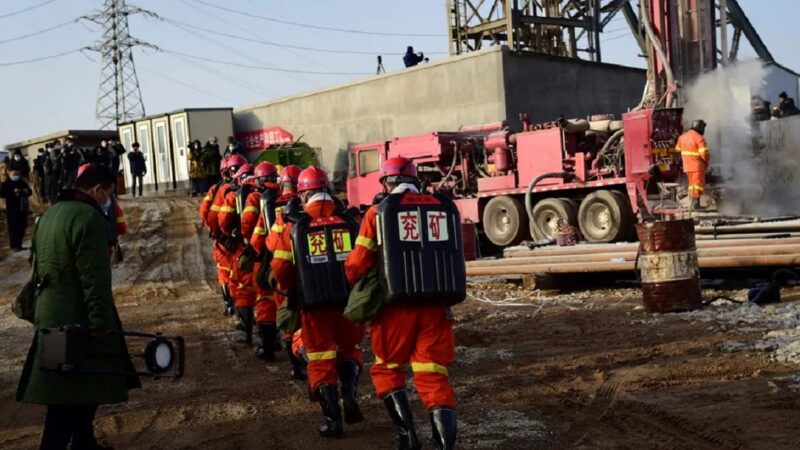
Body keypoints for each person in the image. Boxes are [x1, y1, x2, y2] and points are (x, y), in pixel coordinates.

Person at [16, 164, 140, 450]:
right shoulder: (88, 218)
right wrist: (100, 322)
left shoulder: (49, 215)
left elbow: (36, 266)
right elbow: (94, 278)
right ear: (98, 190)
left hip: (51, 315)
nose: (109, 200)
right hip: (78, 317)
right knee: (71, 394)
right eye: (109, 193)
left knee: (77, 387)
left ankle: (85, 441)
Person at [345, 157, 460, 450]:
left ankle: (408, 436)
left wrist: (352, 276)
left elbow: (357, 264)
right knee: (432, 373)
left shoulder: (377, 213)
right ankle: (444, 445)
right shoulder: (443, 207)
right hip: (436, 307)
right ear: (414, 179)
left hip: (394, 310)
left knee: (387, 369)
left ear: (385, 182)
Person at [271, 166, 365, 438]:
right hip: (349, 303)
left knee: (321, 359)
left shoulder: (293, 224)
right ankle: (348, 392)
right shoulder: (350, 219)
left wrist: (291, 291)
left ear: (303, 194)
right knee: (349, 349)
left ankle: (332, 421)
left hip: (314, 307)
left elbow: (280, 267)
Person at [254, 165, 305, 376]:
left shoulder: (274, 207)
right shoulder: (311, 205)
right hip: (317, 273)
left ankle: (297, 366)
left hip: (286, 268)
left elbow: (266, 240)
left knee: (286, 316)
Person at [234, 161, 280, 360]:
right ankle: (284, 340)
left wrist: (250, 245)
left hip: (263, 256)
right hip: (288, 256)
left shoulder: (255, 198)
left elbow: (248, 226)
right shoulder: (287, 197)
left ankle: (267, 346)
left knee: (265, 300)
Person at [218, 164, 258, 344]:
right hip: (272, 249)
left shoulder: (235, 194)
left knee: (242, 287)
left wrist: (228, 236)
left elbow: (222, 220)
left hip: (245, 247)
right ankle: (275, 337)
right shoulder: (268, 193)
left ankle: (245, 330)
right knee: (269, 292)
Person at [204, 154, 247, 317]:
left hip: (224, 240)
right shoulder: (249, 189)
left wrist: (218, 234)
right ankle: (243, 309)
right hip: (242, 240)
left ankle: (231, 305)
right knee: (242, 275)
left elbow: (207, 212)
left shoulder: (217, 189)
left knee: (224, 272)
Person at [675, 120, 710, 211]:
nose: (704, 131)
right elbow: (704, 155)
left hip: (687, 166)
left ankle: (692, 203)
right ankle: (696, 205)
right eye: (703, 128)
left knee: (692, 185)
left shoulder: (682, 137)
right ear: (699, 128)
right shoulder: (699, 138)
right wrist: (706, 162)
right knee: (698, 185)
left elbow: (677, 149)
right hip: (697, 166)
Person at [0, 169, 32, 251]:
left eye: (16, 173)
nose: (15, 175)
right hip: (12, 209)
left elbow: (29, 192)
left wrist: (23, 191)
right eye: (13, 173)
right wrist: (12, 192)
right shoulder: (6, 184)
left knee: (22, 227)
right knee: (13, 227)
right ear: (9, 173)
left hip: (22, 208)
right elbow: (2, 194)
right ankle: (14, 245)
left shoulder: (22, 183)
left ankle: (19, 244)